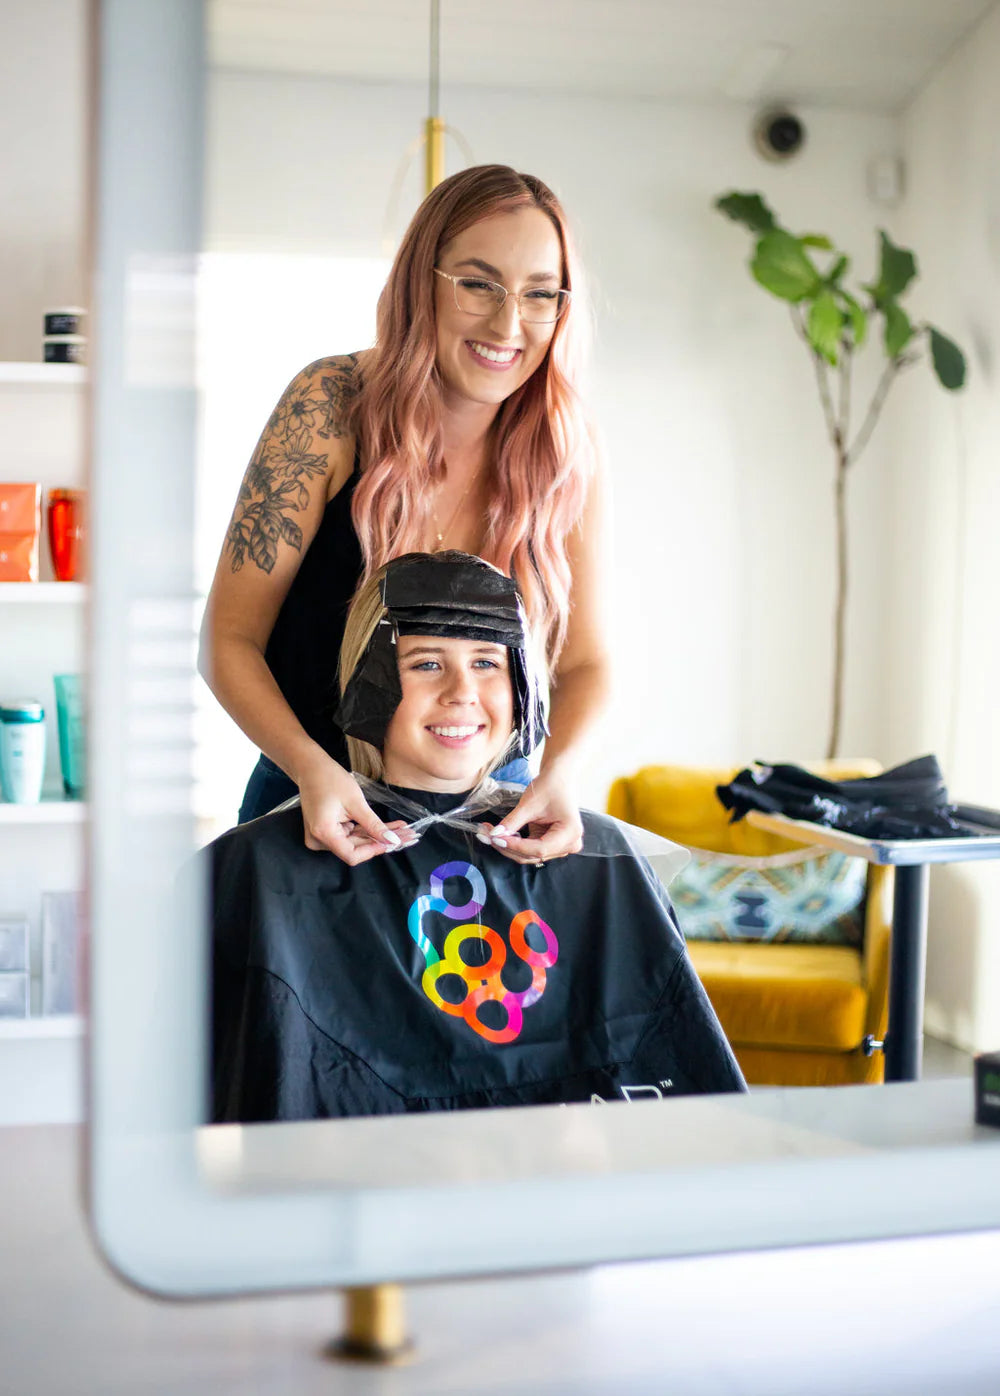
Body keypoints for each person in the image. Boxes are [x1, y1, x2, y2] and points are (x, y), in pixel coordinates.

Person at [209, 553, 746, 1124]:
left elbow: (681, 1090)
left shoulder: (600, 858)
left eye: (488, 662)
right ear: (368, 683)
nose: (463, 691)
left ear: (523, 687)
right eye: (426, 664)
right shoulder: (263, 867)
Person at [198, 164, 608, 866]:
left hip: (488, 827)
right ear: (424, 281)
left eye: (540, 294)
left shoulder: (566, 448)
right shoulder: (329, 405)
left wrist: (557, 774)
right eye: (478, 284)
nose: (508, 324)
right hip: (315, 807)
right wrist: (311, 770)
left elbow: (588, 664)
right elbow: (227, 641)